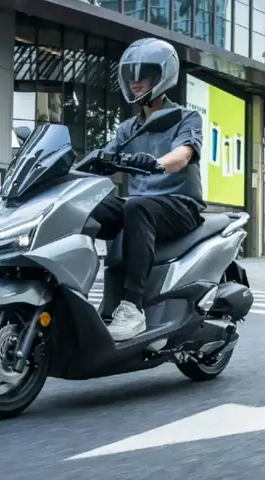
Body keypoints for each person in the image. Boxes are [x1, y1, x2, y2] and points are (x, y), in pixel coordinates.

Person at [90, 37, 206, 342]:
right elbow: (105, 156)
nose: (136, 81)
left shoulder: (186, 117)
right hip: (143, 205)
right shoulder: (127, 128)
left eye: (144, 74)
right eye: (131, 75)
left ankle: (133, 308)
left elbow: (182, 155)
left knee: (135, 206)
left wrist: (155, 163)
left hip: (180, 205)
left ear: (162, 77)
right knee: (85, 207)